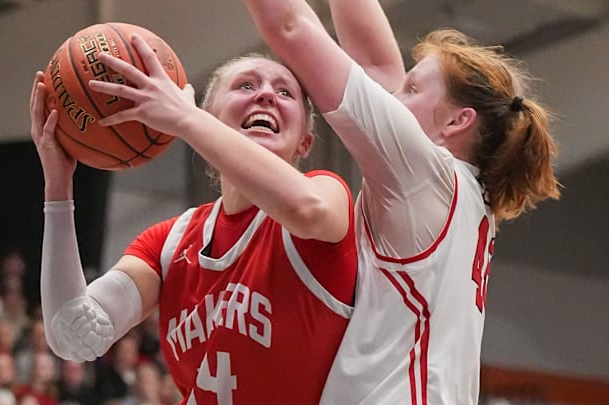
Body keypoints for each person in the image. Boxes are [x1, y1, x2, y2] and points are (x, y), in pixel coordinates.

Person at [240, 0, 561, 403]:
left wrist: (180, 114)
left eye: (411, 90)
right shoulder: (461, 192)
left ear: (457, 121)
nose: (393, 97)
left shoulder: (423, 170)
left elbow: (290, 26)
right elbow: (375, 66)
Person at [30, 33, 358, 404]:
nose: (266, 94)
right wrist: (58, 187)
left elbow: (307, 210)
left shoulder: (326, 193)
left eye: (285, 93)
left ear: (304, 142)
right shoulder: (168, 243)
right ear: (211, 117)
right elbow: (74, 334)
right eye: (246, 85)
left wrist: (186, 121)